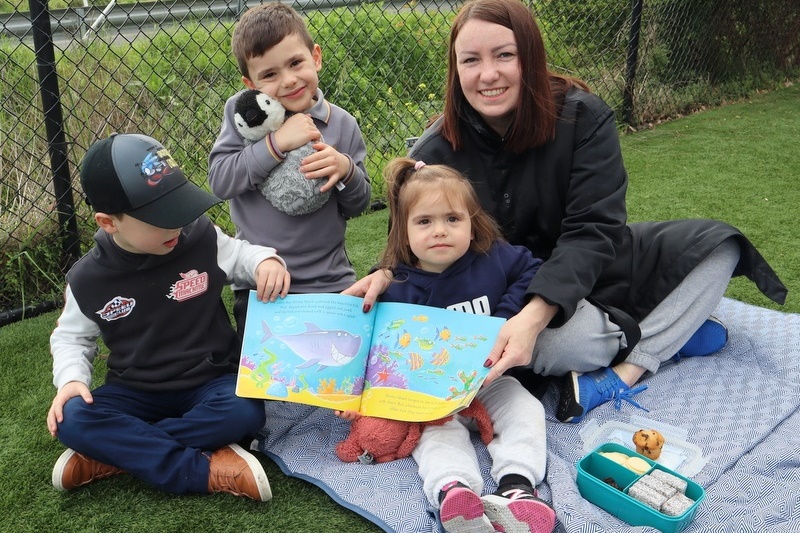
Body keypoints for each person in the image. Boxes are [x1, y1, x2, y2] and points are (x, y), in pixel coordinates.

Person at [344, 0, 787, 424]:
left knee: (720, 245)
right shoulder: (434, 151)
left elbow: (595, 229)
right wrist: (385, 273)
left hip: (592, 267)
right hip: (508, 297)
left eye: (504, 55)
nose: (488, 74)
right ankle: (668, 334)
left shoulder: (584, 117)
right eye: (470, 60)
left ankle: (624, 372)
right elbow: (411, 244)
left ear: (530, 58)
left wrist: (534, 318)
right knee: (553, 347)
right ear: (455, 69)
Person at [47, 133, 291, 500]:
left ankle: (116, 454)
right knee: (72, 417)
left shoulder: (200, 237)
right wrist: (69, 380)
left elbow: (241, 255)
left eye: (180, 207)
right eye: (161, 218)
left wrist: (265, 261)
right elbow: (71, 338)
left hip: (209, 381)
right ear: (108, 222)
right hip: (135, 391)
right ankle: (200, 470)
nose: (176, 225)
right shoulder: (87, 279)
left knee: (244, 414)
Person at [339, 158, 556, 533]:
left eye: (453, 219)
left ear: (473, 224)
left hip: (490, 380)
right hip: (430, 393)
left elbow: (533, 269)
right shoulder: (395, 288)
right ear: (403, 233)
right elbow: (374, 353)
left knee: (527, 411)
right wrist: (357, 399)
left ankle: (518, 489)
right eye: (424, 222)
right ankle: (454, 494)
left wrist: (503, 319)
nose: (440, 231)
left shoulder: (495, 258)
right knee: (435, 436)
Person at [208, 2, 372, 336]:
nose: (288, 80)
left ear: (316, 57)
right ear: (250, 83)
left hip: (331, 280)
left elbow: (359, 204)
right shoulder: (241, 117)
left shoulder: (341, 123)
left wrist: (345, 170)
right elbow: (220, 181)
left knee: (340, 374)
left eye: (296, 63)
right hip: (261, 282)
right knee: (265, 385)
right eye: (269, 74)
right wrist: (276, 144)